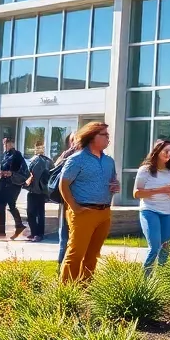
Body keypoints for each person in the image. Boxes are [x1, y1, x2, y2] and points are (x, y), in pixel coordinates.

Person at [59, 121, 118, 282]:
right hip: (83, 212)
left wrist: (115, 186)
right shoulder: (77, 159)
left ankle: (85, 289)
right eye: (104, 135)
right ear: (92, 136)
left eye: (108, 135)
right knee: (75, 254)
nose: (108, 138)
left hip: (104, 213)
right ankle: (66, 294)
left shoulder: (109, 161)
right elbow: (63, 185)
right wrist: (74, 207)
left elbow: (113, 182)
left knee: (93, 255)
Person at [133, 139, 170, 271]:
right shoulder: (145, 170)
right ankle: (145, 279)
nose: (169, 153)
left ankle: (160, 278)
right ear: (157, 151)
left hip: (167, 213)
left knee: (166, 247)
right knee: (154, 247)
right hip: (149, 211)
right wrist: (161, 190)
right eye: (166, 150)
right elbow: (136, 193)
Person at [0, 136, 29, 240]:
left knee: (9, 205)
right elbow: (5, 167)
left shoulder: (16, 155)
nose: (5, 145)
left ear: (12, 143)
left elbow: (24, 171)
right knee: (3, 206)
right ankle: (9, 229)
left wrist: (11, 173)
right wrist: (0, 172)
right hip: (4, 183)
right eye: (4, 143)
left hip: (12, 184)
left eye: (6, 143)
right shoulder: (5, 155)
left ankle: (16, 227)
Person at [54, 133, 80, 266]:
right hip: (67, 202)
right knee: (65, 236)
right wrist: (69, 152)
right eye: (74, 140)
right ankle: (61, 266)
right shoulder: (67, 156)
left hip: (83, 202)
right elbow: (56, 166)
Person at [24, 142, 52, 242]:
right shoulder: (35, 160)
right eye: (37, 147)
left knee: (37, 214)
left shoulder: (43, 161)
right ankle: (35, 233)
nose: (38, 149)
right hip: (35, 191)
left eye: (40, 148)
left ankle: (38, 234)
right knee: (34, 213)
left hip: (39, 191)